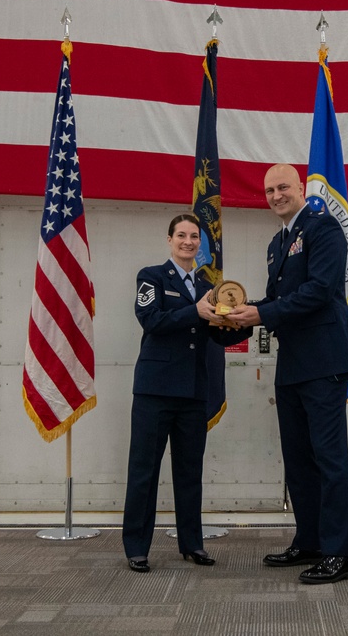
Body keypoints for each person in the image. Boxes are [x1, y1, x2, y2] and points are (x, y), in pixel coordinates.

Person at [226, 164, 348, 584]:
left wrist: (260, 313)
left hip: (324, 363)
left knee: (329, 459)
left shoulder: (324, 229)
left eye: (283, 186)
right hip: (293, 365)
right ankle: (310, 540)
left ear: (301, 188)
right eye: (269, 190)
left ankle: (340, 553)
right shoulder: (277, 242)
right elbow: (280, 299)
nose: (276, 195)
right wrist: (240, 317)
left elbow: (319, 291)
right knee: (299, 460)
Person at [121, 213, 250, 573]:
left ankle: (192, 544)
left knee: (190, 472)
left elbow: (215, 334)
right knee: (144, 470)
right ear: (169, 239)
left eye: (194, 236)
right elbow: (151, 320)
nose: (188, 242)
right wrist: (194, 310)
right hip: (155, 390)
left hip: (194, 392)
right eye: (182, 235)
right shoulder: (152, 277)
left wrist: (243, 323)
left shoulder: (210, 285)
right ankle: (136, 547)